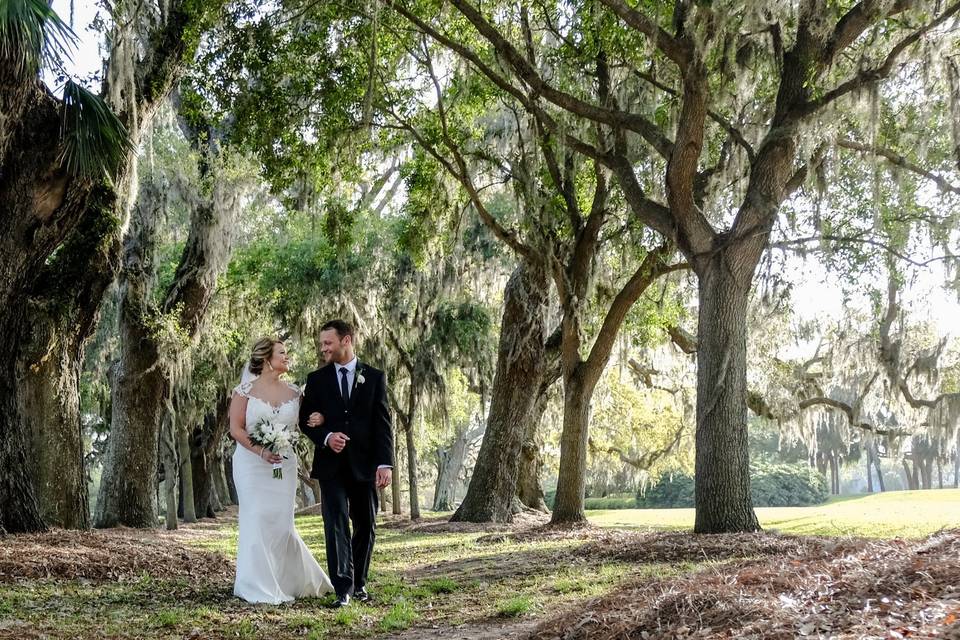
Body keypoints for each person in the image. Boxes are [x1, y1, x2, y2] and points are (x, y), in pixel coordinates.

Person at [229, 337, 333, 604]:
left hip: (284, 465)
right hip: (251, 465)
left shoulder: (296, 393)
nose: (287, 357)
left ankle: (288, 580)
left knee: (281, 522)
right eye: (282, 353)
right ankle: (256, 583)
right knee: (256, 516)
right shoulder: (244, 391)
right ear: (266, 358)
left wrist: (319, 419)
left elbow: (306, 423)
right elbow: (236, 429)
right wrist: (261, 451)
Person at [299, 319, 394, 608]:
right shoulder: (316, 379)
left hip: (365, 465)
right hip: (331, 467)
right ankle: (343, 589)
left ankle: (359, 583)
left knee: (366, 524)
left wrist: (385, 464)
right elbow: (306, 421)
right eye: (322, 343)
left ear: (346, 341)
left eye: (328, 343)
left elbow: (383, 424)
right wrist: (326, 436)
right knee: (336, 523)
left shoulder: (374, 377)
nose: (323, 348)